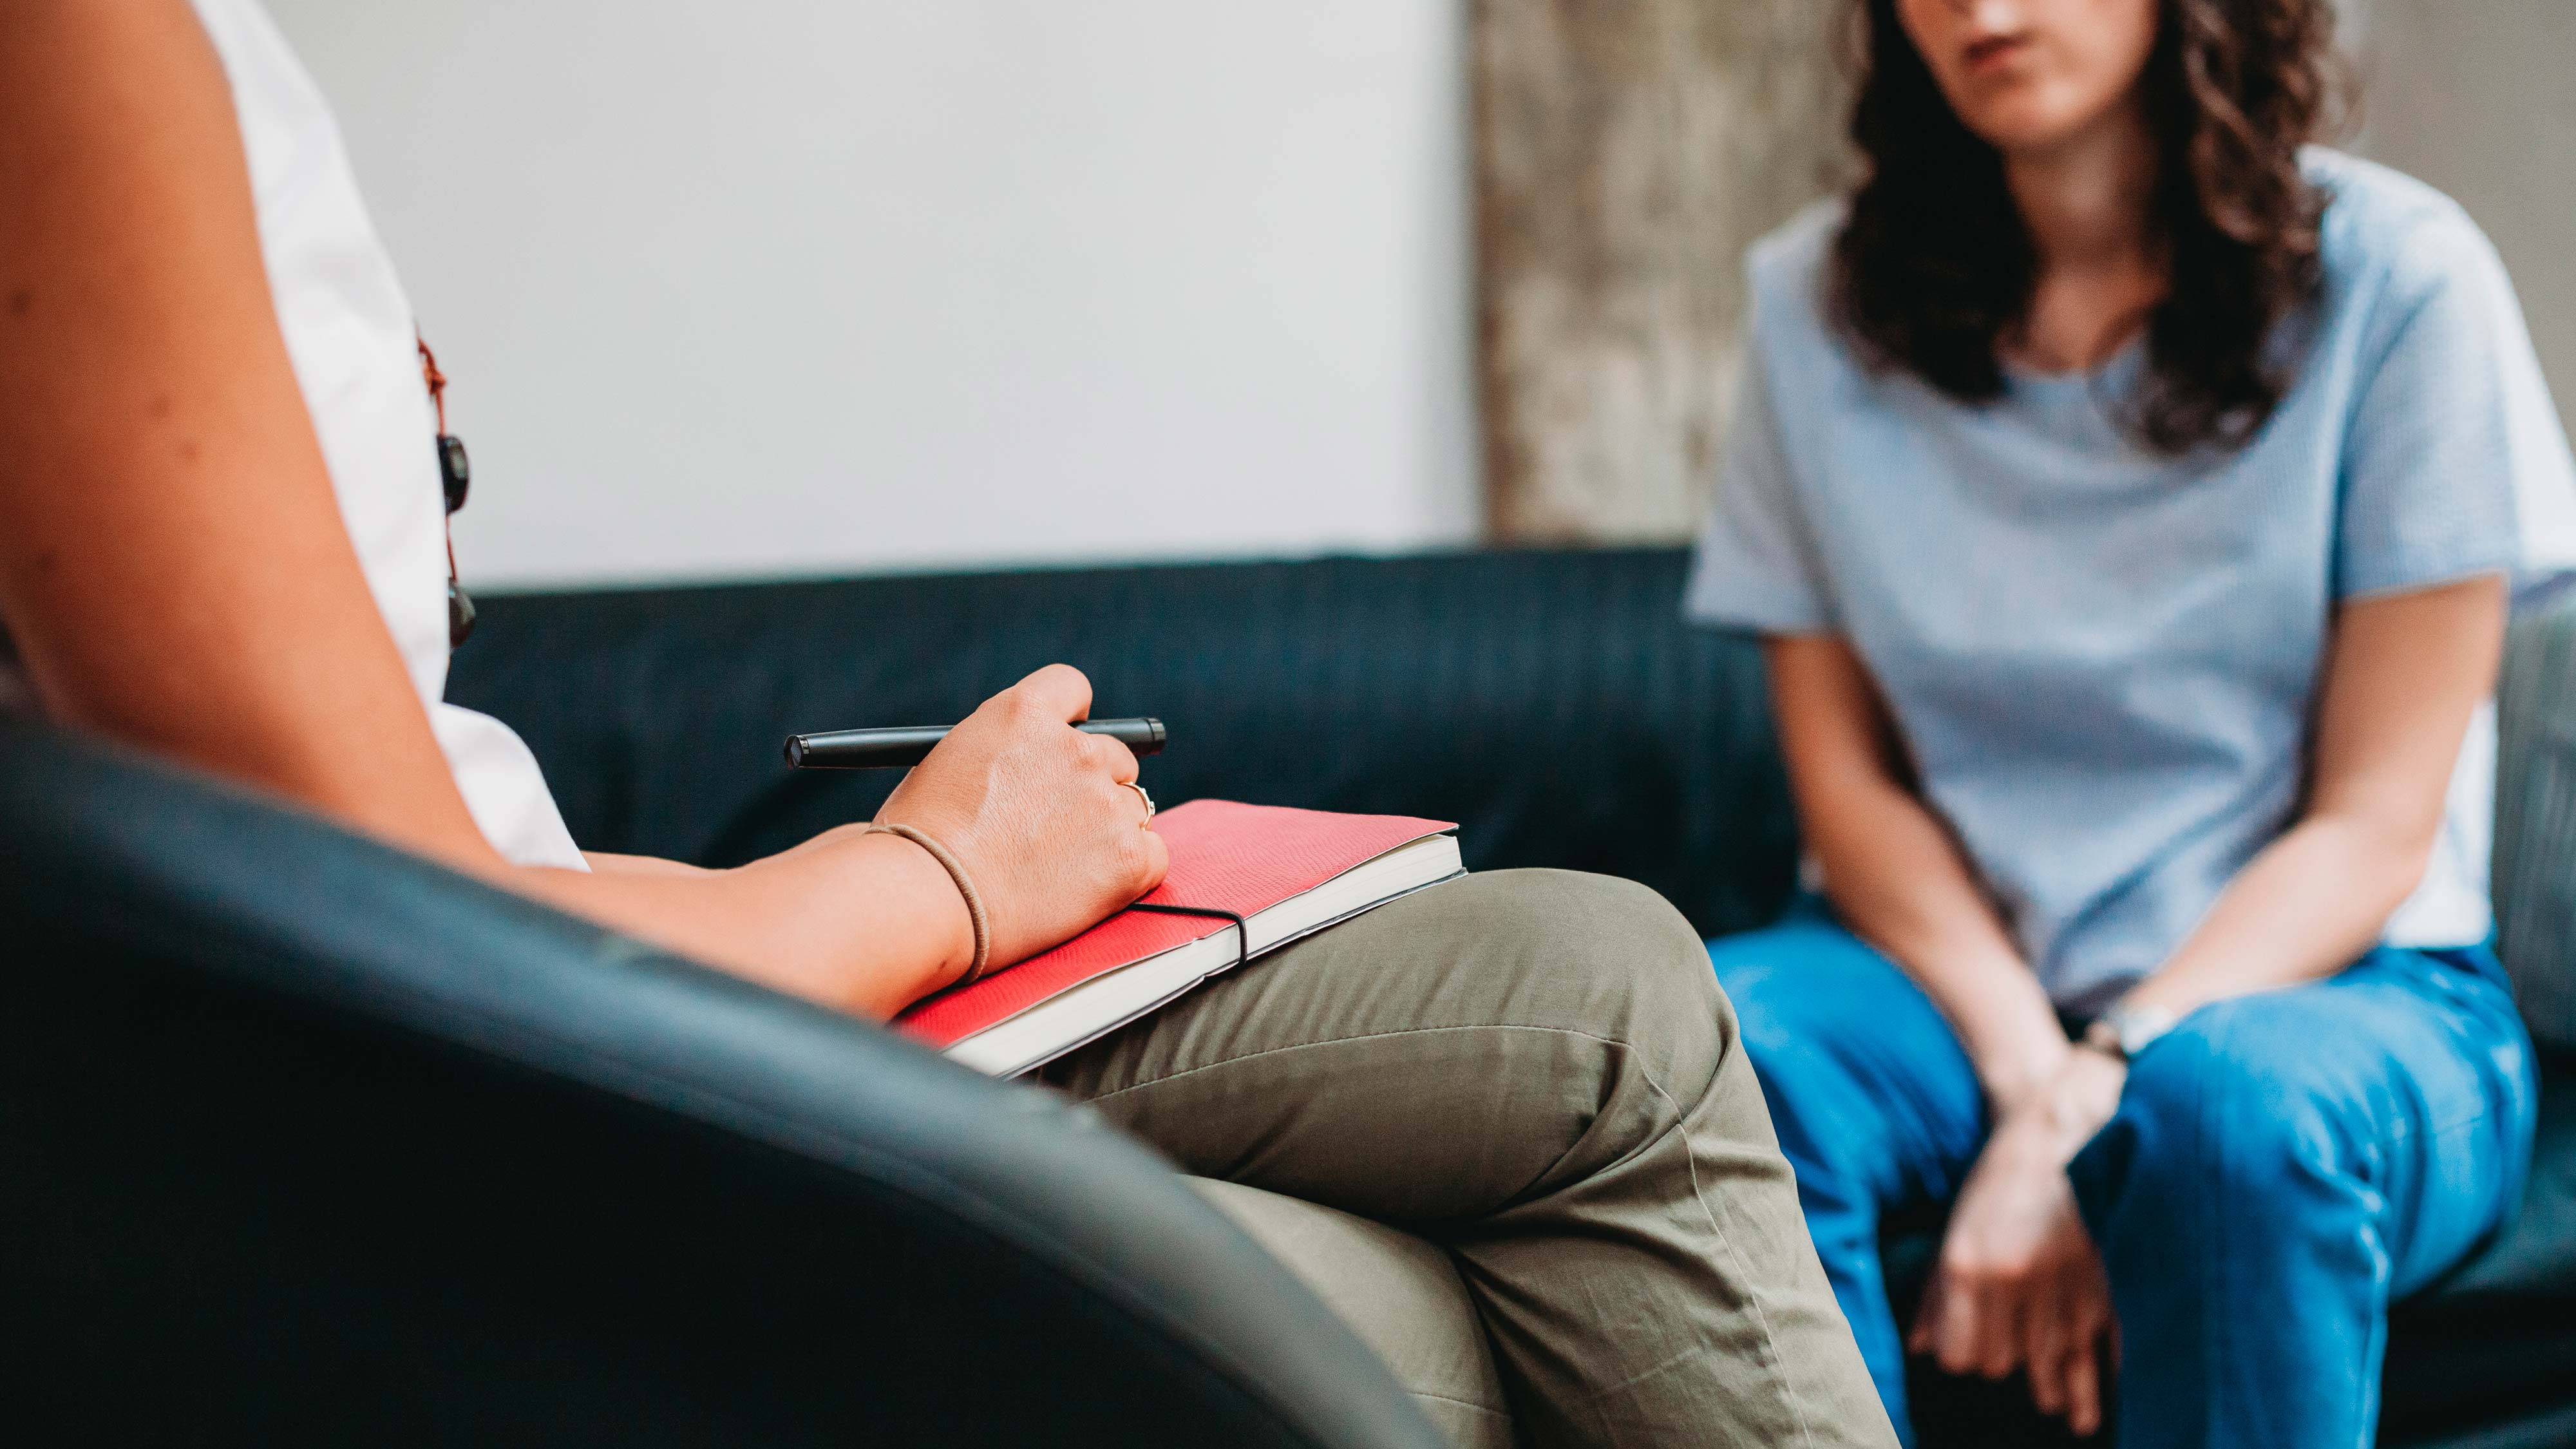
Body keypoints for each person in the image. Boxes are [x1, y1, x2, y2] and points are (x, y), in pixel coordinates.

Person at [0, 3, 1902, 1445]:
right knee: (1427, 1295)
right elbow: (377, 949)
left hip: (558, 986)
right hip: (497, 1114)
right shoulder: (77, 47)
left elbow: (403, 820)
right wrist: (932, 871)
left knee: (1600, 978)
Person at [1685, 0, 2576, 1444]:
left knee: (2223, 1118)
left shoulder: (2402, 284)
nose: (1979, 7)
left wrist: (2111, 1074)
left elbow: (2372, 824)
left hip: (2342, 988)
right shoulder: (1809, 304)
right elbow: (1845, 790)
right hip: (1950, 984)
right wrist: (2034, 1079)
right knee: (1705, 1051)